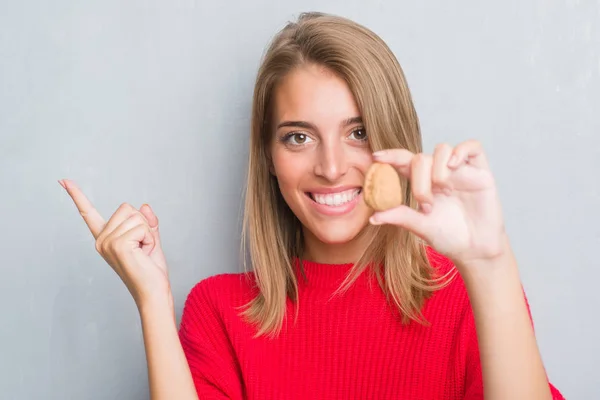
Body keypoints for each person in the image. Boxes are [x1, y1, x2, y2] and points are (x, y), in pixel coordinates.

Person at [60, 12, 565, 400]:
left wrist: (489, 262)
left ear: (397, 139)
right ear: (270, 159)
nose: (330, 165)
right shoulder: (220, 312)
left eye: (358, 133)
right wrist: (152, 301)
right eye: (299, 137)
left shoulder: (467, 297)